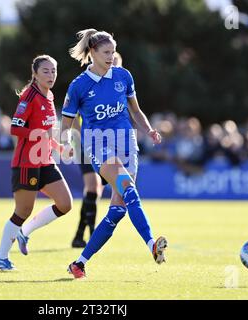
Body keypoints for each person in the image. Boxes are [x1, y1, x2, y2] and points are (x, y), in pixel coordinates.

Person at [61, 29, 167, 279]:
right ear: (93, 53)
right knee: (129, 189)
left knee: (118, 210)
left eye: (112, 52)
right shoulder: (78, 86)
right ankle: (152, 244)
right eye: (106, 52)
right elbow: (65, 124)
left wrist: (149, 130)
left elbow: (136, 112)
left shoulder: (123, 76)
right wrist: (66, 142)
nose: (111, 57)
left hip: (128, 143)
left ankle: (79, 263)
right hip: (99, 145)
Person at [0, 55, 73, 271]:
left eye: (53, 71)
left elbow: (47, 133)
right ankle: (1, 257)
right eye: (46, 71)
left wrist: (60, 148)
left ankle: (24, 232)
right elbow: (15, 129)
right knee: (22, 211)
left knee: (65, 203)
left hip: (45, 161)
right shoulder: (29, 96)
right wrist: (38, 135)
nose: (51, 75)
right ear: (35, 73)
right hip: (27, 162)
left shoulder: (49, 95)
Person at [70, 51, 124, 248]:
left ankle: (79, 235)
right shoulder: (86, 83)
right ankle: (91, 234)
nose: (112, 66)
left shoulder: (118, 87)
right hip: (86, 143)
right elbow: (71, 115)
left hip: (108, 144)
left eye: (116, 64)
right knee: (92, 186)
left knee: (96, 190)